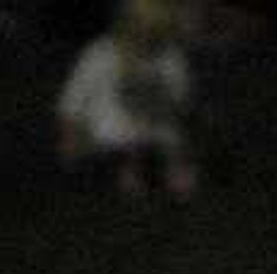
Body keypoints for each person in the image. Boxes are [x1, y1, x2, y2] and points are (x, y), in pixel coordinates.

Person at [56, 0, 199, 201]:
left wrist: (157, 105)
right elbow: (72, 101)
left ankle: (169, 172)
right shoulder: (101, 54)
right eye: (140, 25)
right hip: (107, 132)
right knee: (115, 141)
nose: (145, 35)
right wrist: (69, 135)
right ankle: (128, 170)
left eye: (154, 28)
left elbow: (179, 98)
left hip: (153, 126)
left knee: (170, 137)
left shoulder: (168, 57)